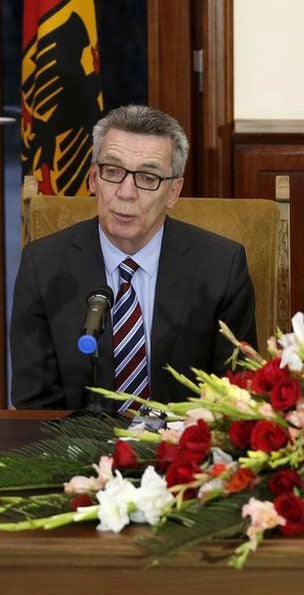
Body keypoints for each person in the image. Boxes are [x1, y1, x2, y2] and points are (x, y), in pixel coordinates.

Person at [11, 105, 257, 411]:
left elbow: (234, 394)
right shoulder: (44, 266)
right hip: (74, 451)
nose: (126, 192)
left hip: (184, 450)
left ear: (173, 192)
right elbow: (34, 400)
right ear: (93, 179)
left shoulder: (221, 267)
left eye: (147, 177)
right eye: (112, 172)